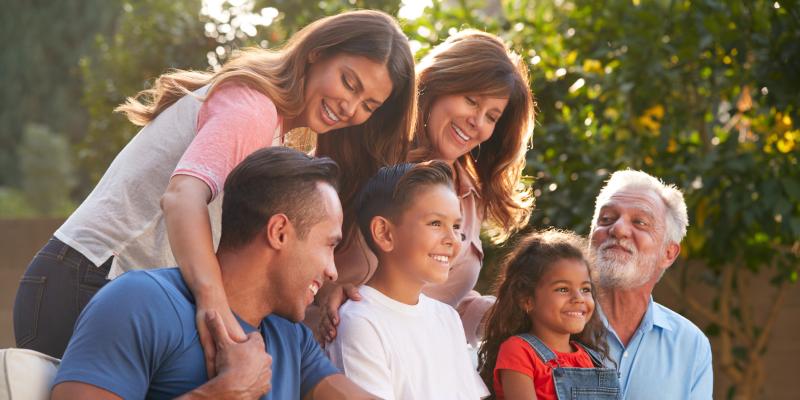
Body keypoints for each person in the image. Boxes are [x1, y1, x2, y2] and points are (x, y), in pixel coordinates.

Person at [13, 9, 415, 360]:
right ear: (317, 53)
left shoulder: (279, 133)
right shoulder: (253, 109)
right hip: (88, 281)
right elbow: (183, 195)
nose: (351, 107)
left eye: (369, 106)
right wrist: (214, 305)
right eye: (349, 82)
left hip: (120, 291)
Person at [51, 147, 375, 400]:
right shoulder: (140, 303)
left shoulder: (291, 339)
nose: (333, 271)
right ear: (279, 232)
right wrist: (226, 392)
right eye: (329, 245)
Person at [316, 29, 534, 347]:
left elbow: (440, 301)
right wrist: (324, 290)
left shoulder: (470, 198)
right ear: (435, 87)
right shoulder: (362, 155)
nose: (478, 122)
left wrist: (507, 314)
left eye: (492, 116)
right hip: (334, 355)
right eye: (471, 100)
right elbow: (291, 246)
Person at [326, 162, 489, 399]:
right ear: (384, 233)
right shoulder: (360, 322)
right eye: (436, 223)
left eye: (456, 226)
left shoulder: (447, 318)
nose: (453, 240)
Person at [589, 170, 713, 399]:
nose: (618, 229)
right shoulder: (547, 321)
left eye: (640, 222)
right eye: (606, 219)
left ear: (668, 253)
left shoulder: (691, 346)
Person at [477, 229, 620, 400]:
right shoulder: (518, 350)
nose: (579, 298)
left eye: (585, 289)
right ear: (527, 300)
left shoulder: (592, 359)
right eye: (563, 289)